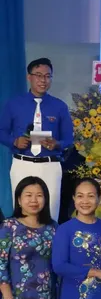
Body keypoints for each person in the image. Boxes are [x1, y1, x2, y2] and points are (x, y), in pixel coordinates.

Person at [0, 58, 73, 221]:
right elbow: (1, 131)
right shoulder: (14, 104)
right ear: (29, 77)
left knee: (51, 212)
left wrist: (57, 144)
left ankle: (51, 238)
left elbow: (69, 138)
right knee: (22, 211)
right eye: (39, 75)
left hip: (50, 165)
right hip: (22, 163)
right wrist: (14, 141)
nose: (43, 80)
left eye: (47, 76)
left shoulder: (59, 106)